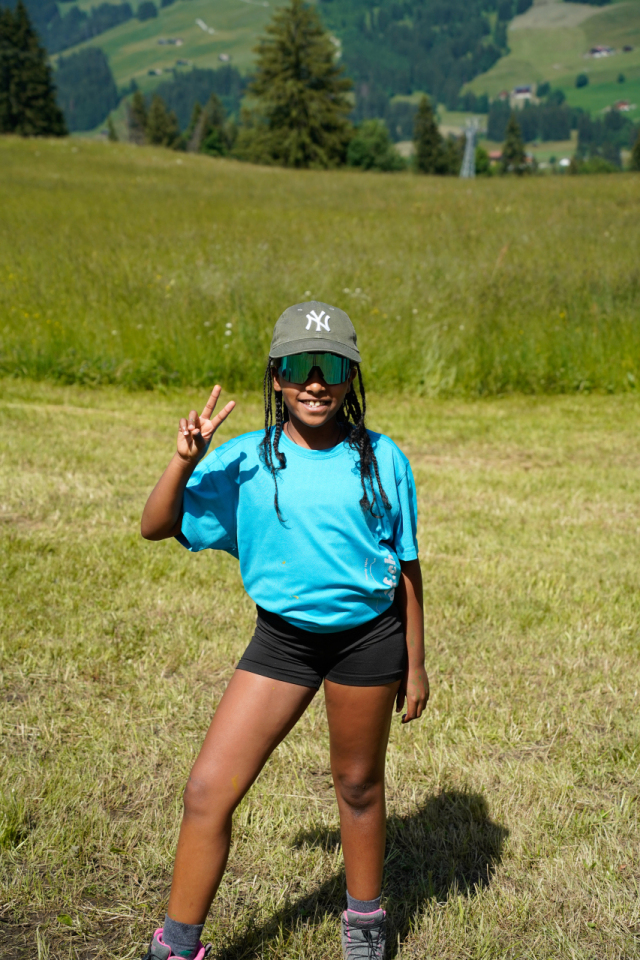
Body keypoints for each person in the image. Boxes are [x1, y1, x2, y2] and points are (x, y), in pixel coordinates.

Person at [140, 301, 429, 960]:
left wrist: (414, 664)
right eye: (300, 366)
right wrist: (184, 460)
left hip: (368, 640)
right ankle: (176, 946)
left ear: (352, 377)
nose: (316, 382)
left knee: (358, 785)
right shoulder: (246, 459)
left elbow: (408, 567)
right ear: (276, 377)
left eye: (332, 367)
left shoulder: (384, 459)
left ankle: (365, 923)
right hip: (282, 641)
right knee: (207, 790)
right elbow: (155, 526)